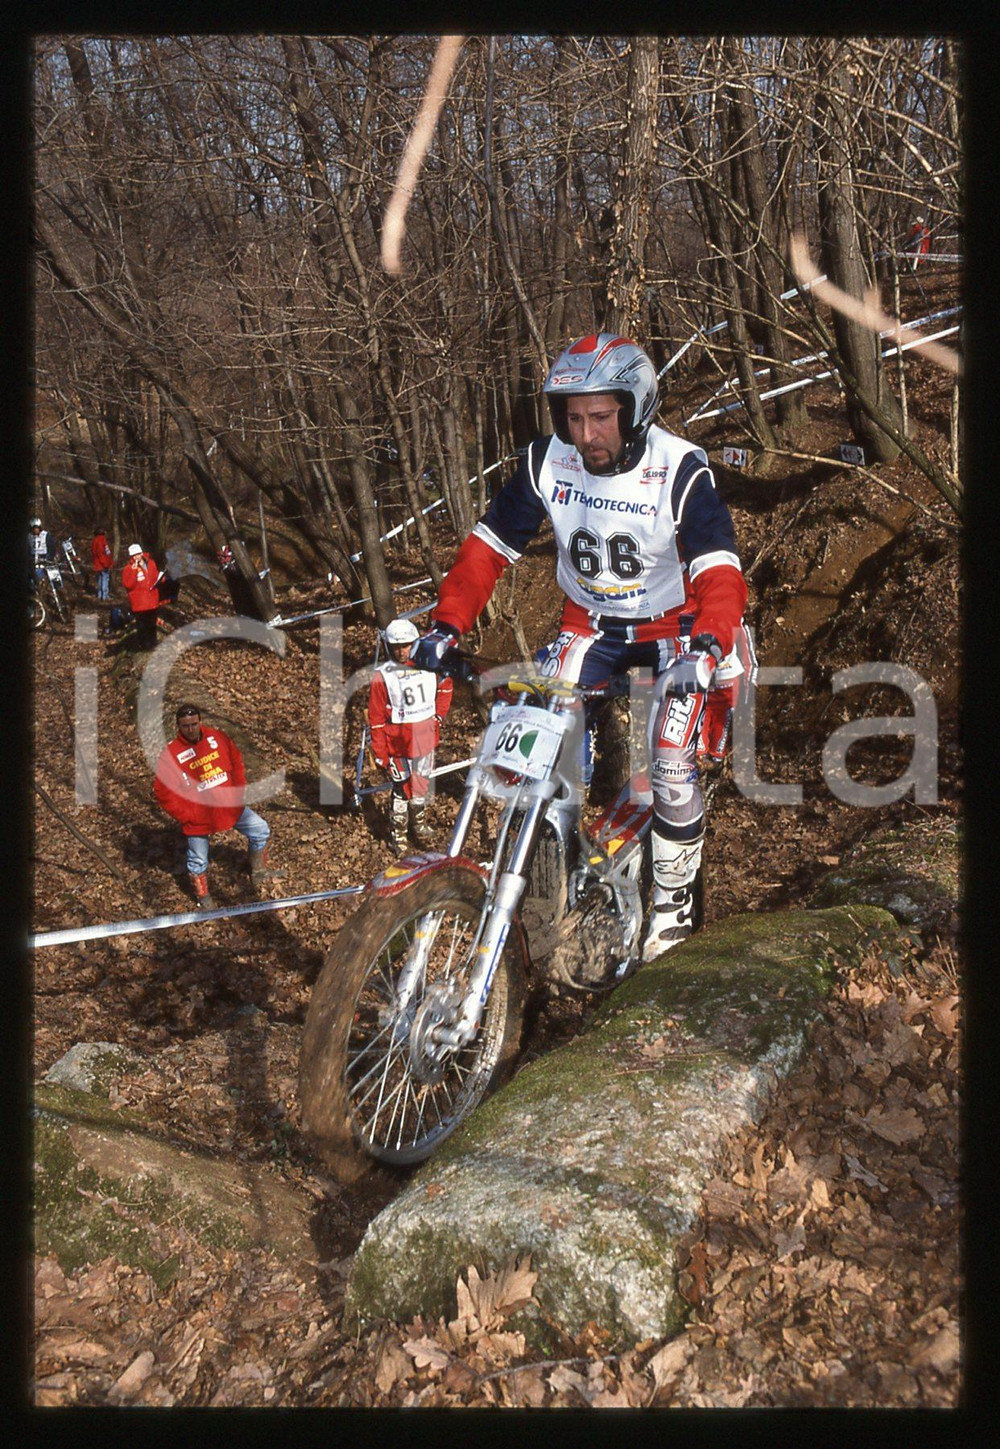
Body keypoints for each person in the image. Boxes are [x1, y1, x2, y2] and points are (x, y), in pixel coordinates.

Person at [413, 332, 754, 962]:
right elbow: (489, 547)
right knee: (540, 744)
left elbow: (720, 570)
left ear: (635, 409)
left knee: (672, 756)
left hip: (676, 628)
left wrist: (709, 642)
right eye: (573, 418)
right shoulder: (548, 460)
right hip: (590, 625)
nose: (586, 434)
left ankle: (674, 909)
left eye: (600, 417)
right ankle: (562, 870)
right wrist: (446, 624)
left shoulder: (680, 467)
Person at [153, 703, 278, 909]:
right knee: (198, 860)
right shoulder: (171, 754)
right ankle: (204, 897)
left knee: (260, 830)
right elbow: (163, 792)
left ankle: (258, 871)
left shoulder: (218, 738)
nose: (191, 729)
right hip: (198, 817)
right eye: (185, 726)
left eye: (194, 724)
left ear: (200, 721)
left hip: (228, 806)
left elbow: (236, 761)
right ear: (178, 726)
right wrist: (188, 814)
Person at [368, 617, 454, 852]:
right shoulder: (382, 675)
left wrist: (438, 717)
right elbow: (375, 717)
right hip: (396, 744)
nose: (401, 651)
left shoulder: (430, 664)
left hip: (425, 738)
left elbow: (446, 686)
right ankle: (399, 837)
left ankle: (420, 824)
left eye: (406, 645)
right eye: (396, 646)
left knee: (421, 784)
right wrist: (379, 751)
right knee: (401, 789)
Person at [121, 542, 161, 651]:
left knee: (152, 624)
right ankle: (144, 645)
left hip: (152, 600)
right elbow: (128, 585)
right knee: (142, 625)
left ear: (142, 553)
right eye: (134, 555)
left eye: (138, 554)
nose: (136, 557)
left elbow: (155, 577)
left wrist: (161, 579)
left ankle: (153, 643)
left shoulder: (151, 563)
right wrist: (134, 571)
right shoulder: (128, 569)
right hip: (139, 603)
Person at [91, 528, 113, 600]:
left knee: (101, 578)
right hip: (102, 563)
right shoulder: (101, 540)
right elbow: (101, 553)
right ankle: (105, 596)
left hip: (98, 563)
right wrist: (106, 563)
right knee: (105, 578)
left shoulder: (95, 540)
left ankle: (100, 595)